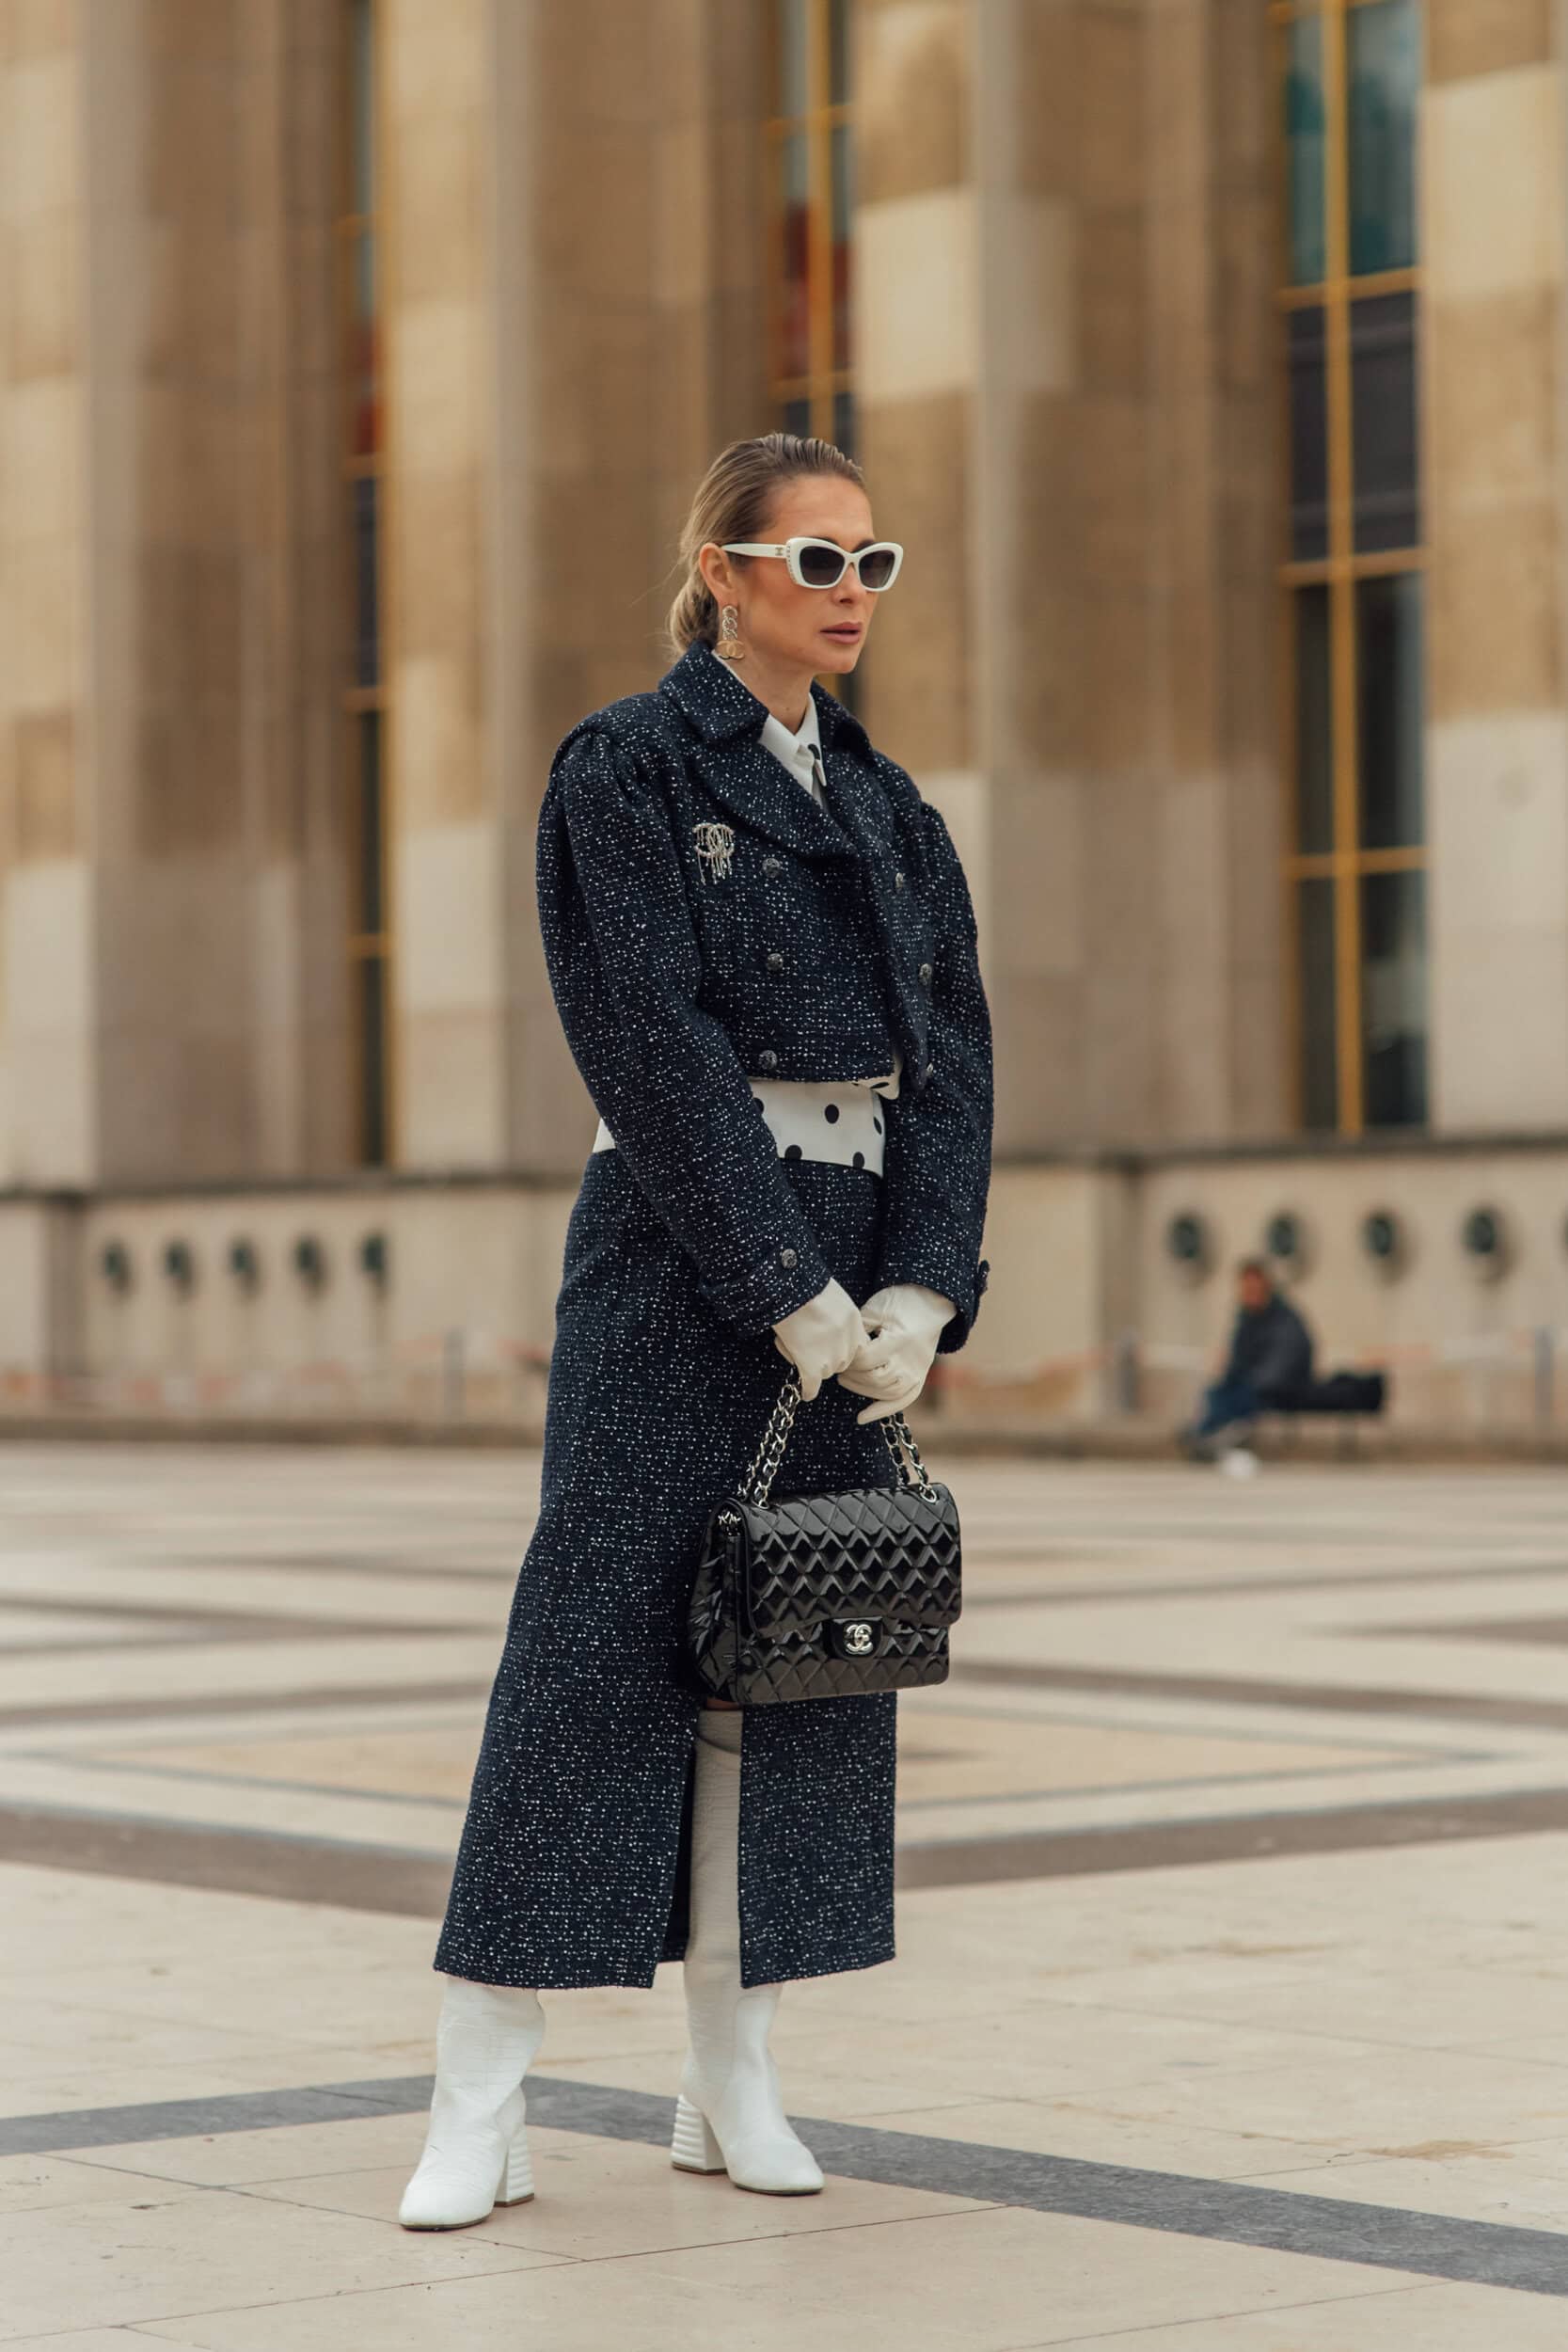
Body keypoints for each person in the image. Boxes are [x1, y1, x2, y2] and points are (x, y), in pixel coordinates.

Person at [398, 432, 994, 2228]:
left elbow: (953, 1061)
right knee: (592, 1653)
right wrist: (782, 1287)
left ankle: (730, 2077)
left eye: (871, 565)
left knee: (801, 1670)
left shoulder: (895, 814)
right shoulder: (630, 768)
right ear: (723, 570)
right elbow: (642, 1044)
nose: (848, 597)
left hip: (854, 1251)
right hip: (678, 1258)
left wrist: (918, 1287)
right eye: (815, 562)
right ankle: (476, 2094)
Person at [1177, 1257, 1314, 1461]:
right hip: (1252, 1383)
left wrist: (1254, 1381)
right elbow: (1237, 1358)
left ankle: (1213, 1437)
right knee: (1217, 1392)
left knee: (1238, 1397)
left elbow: (1285, 1362)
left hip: (1278, 1387)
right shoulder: (1246, 1318)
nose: (1249, 1292)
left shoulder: (1284, 1319)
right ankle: (1205, 1433)